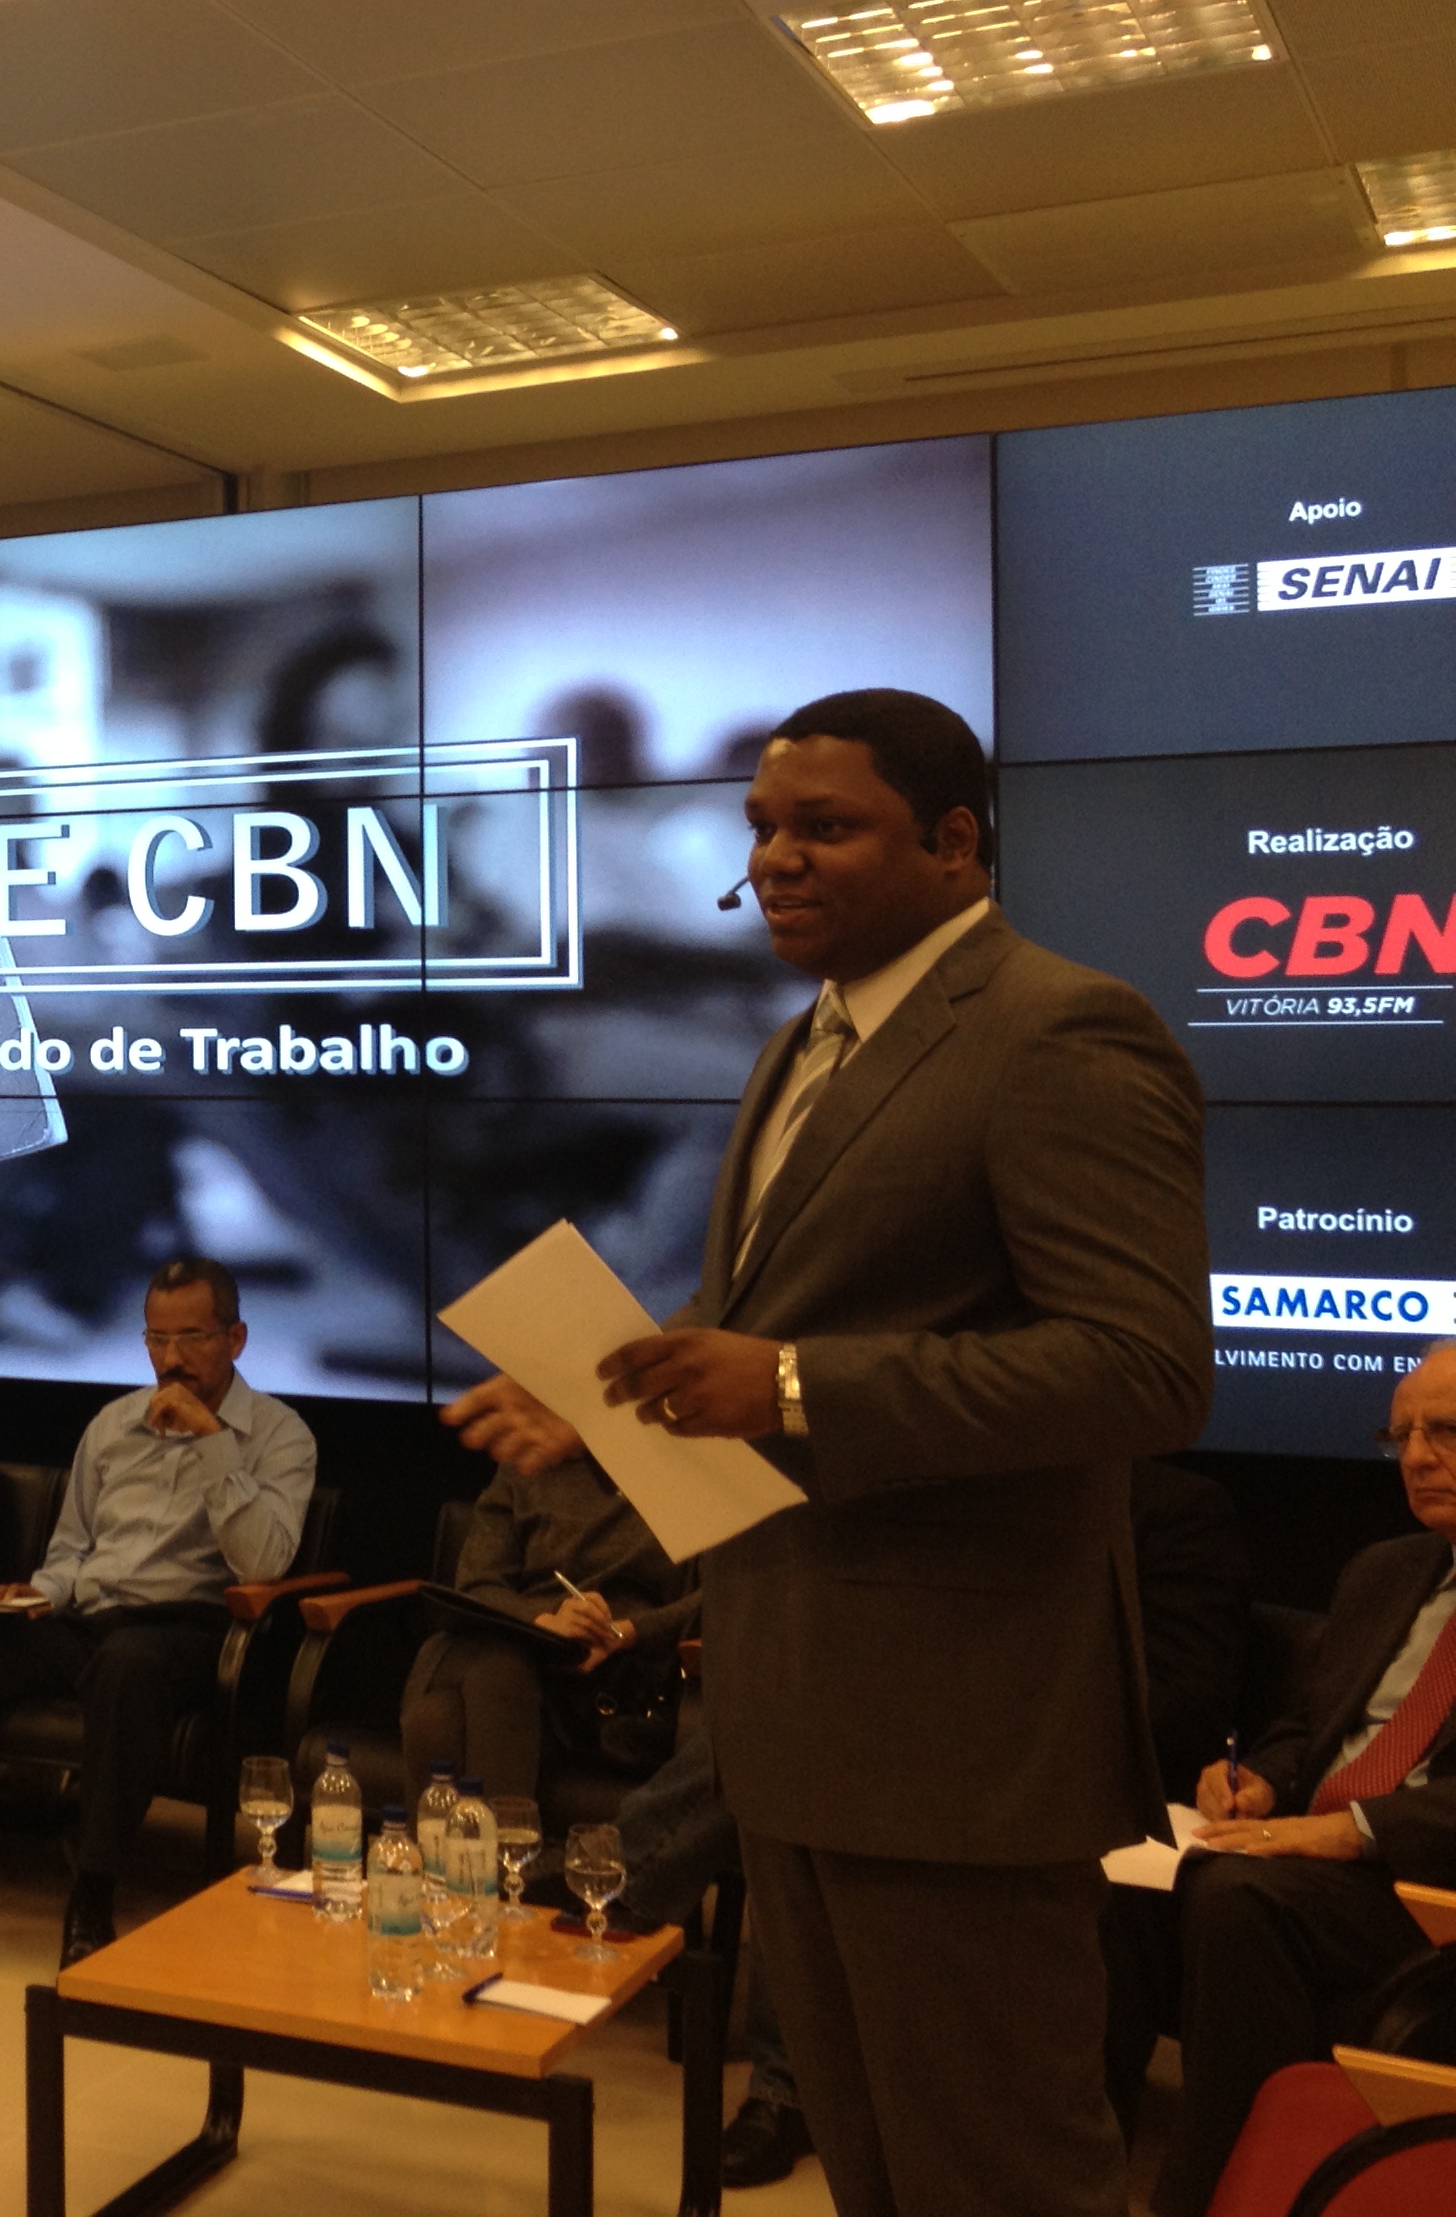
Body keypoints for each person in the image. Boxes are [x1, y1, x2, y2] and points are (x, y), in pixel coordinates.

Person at [448, 688, 1208, 2217]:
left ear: (954, 842)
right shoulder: (803, 1044)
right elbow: (770, 1321)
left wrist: (790, 1384)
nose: (774, 859)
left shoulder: (1061, 1028)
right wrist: (604, 1402)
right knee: (874, 2169)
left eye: (826, 826)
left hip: (960, 1743)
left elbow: (1143, 1370)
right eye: (762, 828)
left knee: (999, 2177)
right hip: (788, 1714)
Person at [618, 1457, 1248, 2191]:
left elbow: (1187, 1692)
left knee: (997, 2159)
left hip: (1019, 1768)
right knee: (788, 1750)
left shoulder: (1168, 1508)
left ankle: (616, 1884)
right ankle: (772, 2074)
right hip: (842, 1730)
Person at [0, 1256, 315, 1967]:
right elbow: (71, 1549)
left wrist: (213, 1441)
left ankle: (92, 1895)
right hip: (89, 1621)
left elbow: (262, 1564)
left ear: (235, 1339)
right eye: (157, 1339)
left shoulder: (282, 1435)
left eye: (191, 1337)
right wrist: (40, 1593)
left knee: (128, 1663)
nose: (172, 1358)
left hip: (189, 1628)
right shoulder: (112, 1425)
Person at [1126, 1348, 1456, 2217]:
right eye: (1402, 1436)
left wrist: (1348, 1830)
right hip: (1316, 1861)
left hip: (1426, 1884)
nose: (1418, 1457)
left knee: (1241, 1899)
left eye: (1447, 1432)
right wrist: (1262, 1783)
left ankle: (1214, 2200)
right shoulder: (1386, 1571)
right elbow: (1310, 1726)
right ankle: (1073, 2170)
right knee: (1130, 1879)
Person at [400, 1454, 690, 1806]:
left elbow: (720, 1599)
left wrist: (628, 1631)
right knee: (498, 1665)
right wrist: (543, 1621)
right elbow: (478, 1585)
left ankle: (467, 1842)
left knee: (437, 1718)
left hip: (609, 1684)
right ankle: (507, 1839)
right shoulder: (529, 1462)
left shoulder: (687, 1469)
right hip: (517, 1649)